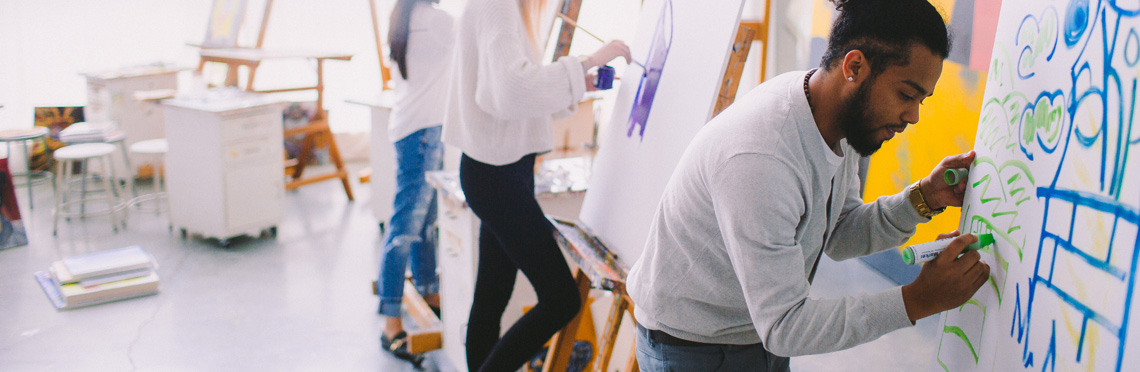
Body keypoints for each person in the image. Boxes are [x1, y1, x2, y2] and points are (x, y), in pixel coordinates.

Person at [626, 0, 990, 370]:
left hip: (754, 332)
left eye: (921, 101)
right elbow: (786, 325)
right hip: (693, 349)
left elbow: (839, 234)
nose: (912, 116)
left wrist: (922, 199)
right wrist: (916, 300)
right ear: (855, 67)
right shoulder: (763, 159)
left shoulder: (838, 120)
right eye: (906, 96)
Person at [442, 0, 631, 370]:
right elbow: (510, 89)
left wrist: (581, 81)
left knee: (491, 297)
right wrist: (587, 62)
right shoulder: (498, 6)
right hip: (497, 176)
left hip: (497, 170)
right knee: (561, 299)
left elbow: (513, 83)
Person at [375, 0, 452, 364]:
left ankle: (429, 293)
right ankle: (390, 322)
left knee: (422, 224)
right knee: (405, 227)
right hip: (423, 133)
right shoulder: (439, 22)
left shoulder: (402, 17)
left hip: (410, 128)